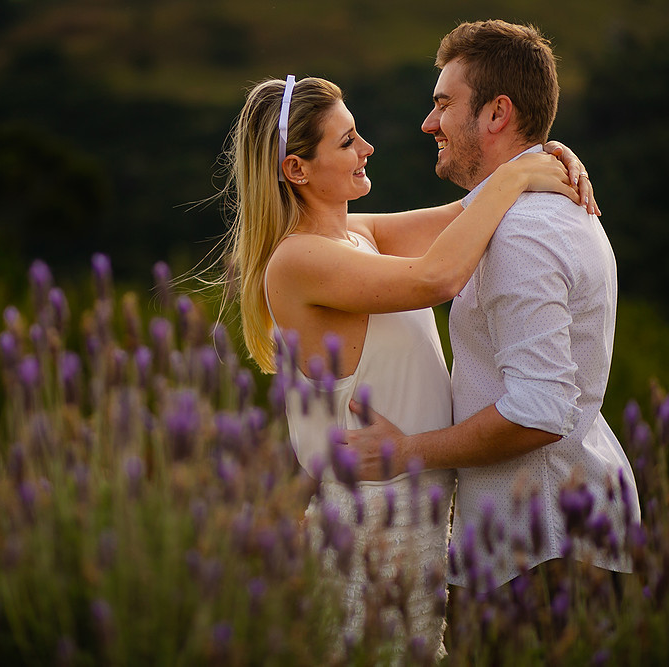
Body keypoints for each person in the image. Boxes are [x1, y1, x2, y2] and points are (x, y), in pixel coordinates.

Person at [218, 72, 594, 659]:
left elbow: (464, 213)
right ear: (297, 169)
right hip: (368, 533)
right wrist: (520, 174)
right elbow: (436, 277)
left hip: (413, 530)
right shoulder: (296, 261)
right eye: (346, 142)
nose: (367, 149)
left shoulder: (358, 237)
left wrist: (541, 157)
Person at [344, 20, 642, 592]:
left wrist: (405, 452)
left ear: (496, 114)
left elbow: (538, 410)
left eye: (443, 104)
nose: (429, 122)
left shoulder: (523, 235)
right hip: (544, 541)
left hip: (545, 551)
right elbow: (359, 238)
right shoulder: (505, 215)